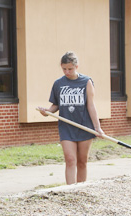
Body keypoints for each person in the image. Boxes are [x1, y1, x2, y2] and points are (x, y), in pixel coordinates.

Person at [38, 51, 104, 185]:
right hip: (66, 127)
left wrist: (97, 128)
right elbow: (56, 104)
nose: (67, 72)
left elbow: (91, 106)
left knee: (82, 161)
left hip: (84, 126)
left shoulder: (86, 82)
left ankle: (80, 189)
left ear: (76, 67)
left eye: (70, 69)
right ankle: (70, 190)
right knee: (70, 159)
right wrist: (47, 111)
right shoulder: (58, 84)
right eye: (64, 69)